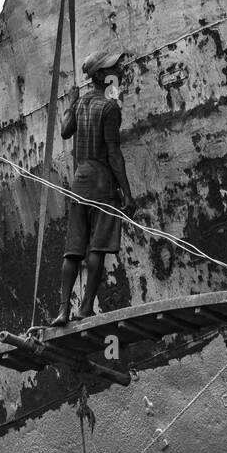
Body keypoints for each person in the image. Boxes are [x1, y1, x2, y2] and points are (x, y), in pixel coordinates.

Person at [51, 49, 135, 327]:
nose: (119, 72)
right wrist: (127, 193)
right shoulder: (110, 107)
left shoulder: (80, 103)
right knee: (97, 248)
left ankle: (63, 311)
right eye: (113, 68)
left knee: (73, 250)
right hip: (101, 182)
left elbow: (65, 131)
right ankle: (85, 308)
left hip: (79, 182)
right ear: (101, 75)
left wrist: (71, 102)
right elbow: (113, 153)